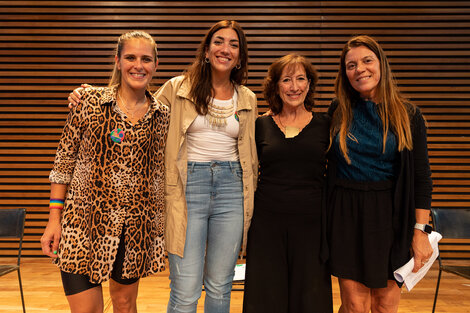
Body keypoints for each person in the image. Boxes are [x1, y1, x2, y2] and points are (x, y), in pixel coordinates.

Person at [67, 20, 258, 313]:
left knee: (221, 285)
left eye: (234, 44)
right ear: (206, 50)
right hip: (187, 187)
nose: (225, 49)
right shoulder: (177, 88)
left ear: (241, 56)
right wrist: (87, 94)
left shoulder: (248, 98)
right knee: (185, 288)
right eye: (219, 41)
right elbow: (134, 109)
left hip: (232, 189)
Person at [40, 31, 170, 313]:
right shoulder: (88, 102)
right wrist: (54, 219)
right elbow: (63, 162)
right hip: (81, 225)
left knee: (124, 305)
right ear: (118, 61)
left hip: (133, 228)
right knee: (87, 310)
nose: (139, 65)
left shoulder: (162, 116)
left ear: (155, 65)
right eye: (131, 57)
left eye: (146, 59)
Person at [327, 35, 433, 313]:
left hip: (391, 216)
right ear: (345, 73)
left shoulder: (409, 115)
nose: (359, 69)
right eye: (351, 65)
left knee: (385, 304)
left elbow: (421, 178)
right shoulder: (338, 111)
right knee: (354, 305)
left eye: (366, 61)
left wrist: (420, 231)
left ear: (381, 65)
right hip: (346, 213)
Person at [243, 54, 333, 313]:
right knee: (266, 298)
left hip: (312, 228)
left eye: (300, 79)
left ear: (310, 84)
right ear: (276, 86)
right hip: (267, 226)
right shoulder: (261, 124)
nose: (294, 87)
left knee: (310, 299)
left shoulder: (326, 125)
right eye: (287, 80)